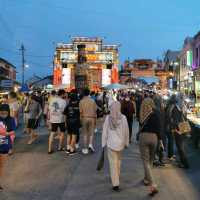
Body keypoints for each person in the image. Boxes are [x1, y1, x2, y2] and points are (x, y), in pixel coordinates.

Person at [102, 101, 129, 192]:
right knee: (119, 161)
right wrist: (126, 142)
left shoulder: (108, 118)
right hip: (120, 144)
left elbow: (105, 131)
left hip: (111, 144)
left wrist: (103, 143)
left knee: (112, 163)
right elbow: (126, 131)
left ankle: (115, 183)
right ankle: (117, 176)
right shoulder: (123, 118)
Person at [139, 98, 163, 196]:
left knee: (145, 161)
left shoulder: (142, 111)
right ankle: (146, 179)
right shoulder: (156, 112)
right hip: (154, 138)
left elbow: (141, 123)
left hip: (144, 137)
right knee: (151, 160)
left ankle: (152, 184)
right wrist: (160, 139)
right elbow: (159, 127)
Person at [168, 96, 190, 169]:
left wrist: (175, 129)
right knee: (182, 147)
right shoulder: (182, 108)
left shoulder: (175, 109)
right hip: (184, 129)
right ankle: (183, 162)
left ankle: (185, 164)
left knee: (180, 148)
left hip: (180, 130)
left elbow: (176, 121)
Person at [0, 104, 16, 190]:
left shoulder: (11, 119)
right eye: (1, 113)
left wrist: (5, 133)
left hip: (4, 146)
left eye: (5, 113)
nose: (3, 115)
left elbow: (13, 132)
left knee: (1, 165)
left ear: (8, 112)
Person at [48, 90, 66, 154]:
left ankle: (49, 149)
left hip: (53, 119)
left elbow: (49, 109)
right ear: (62, 94)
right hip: (61, 119)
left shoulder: (52, 100)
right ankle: (60, 147)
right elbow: (64, 111)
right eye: (64, 94)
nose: (65, 95)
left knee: (52, 133)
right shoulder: (63, 101)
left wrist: (49, 119)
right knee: (62, 132)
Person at [79, 88, 97, 154]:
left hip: (84, 118)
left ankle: (85, 148)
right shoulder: (93, 101)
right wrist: (95, 120)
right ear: (89, 93)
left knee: (85, 134)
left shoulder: (81, 101)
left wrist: (80, 120)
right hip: (92, 118)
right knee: (91, 133)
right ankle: (90, 144)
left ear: (83, 93)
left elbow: (80, 112)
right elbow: (95, 111)